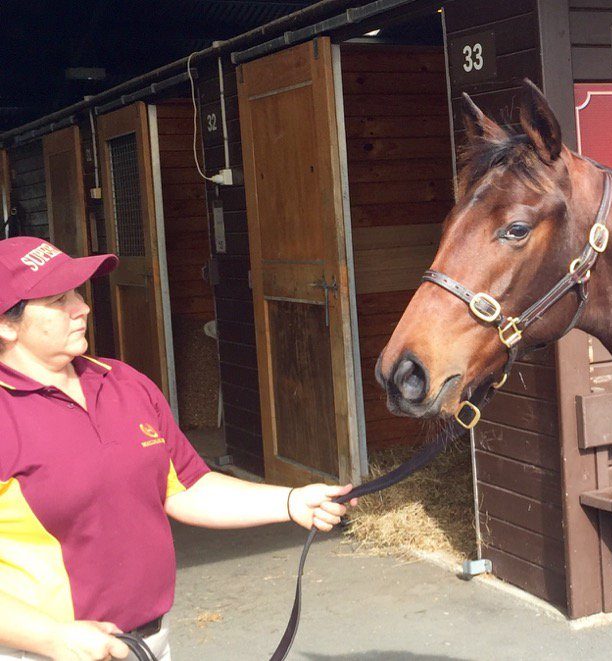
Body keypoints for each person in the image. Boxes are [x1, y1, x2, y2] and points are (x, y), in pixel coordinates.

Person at [0, 237, 354, 661]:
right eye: (59, 300)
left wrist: (292, 501)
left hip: (149, 642)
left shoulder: (123, 382)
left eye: (77, 292)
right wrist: (52, 638)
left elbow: (187, 487)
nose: (83, 308)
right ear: (6, 325)